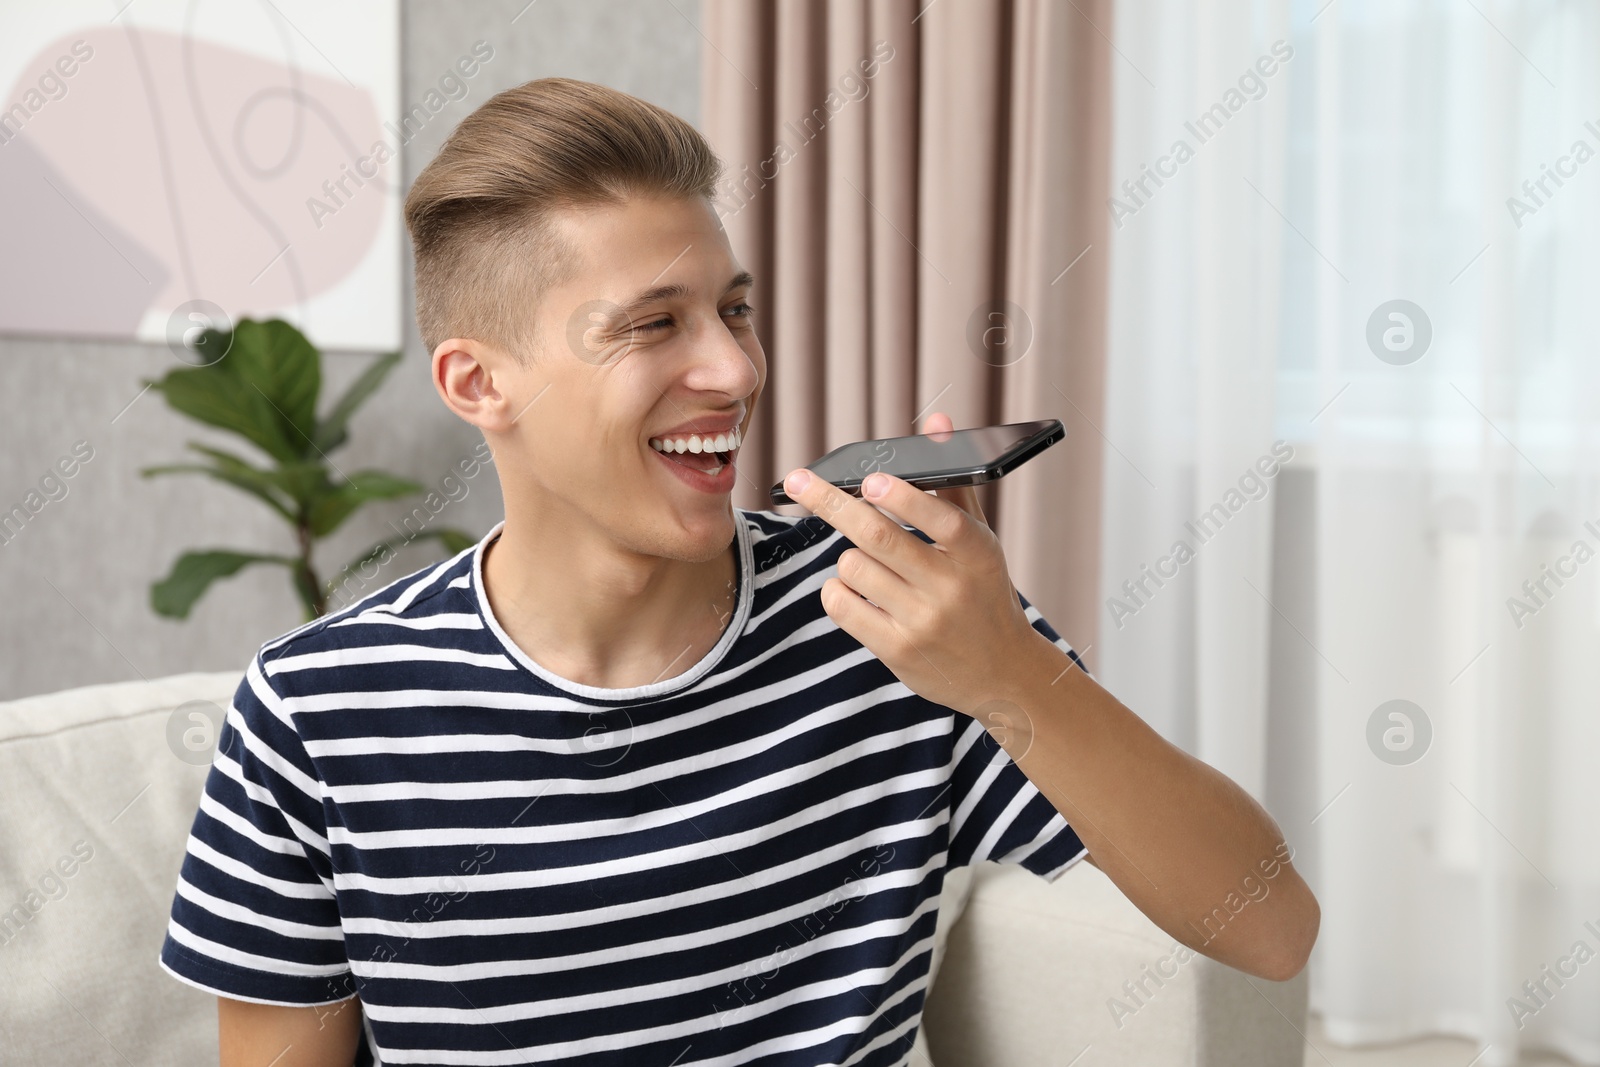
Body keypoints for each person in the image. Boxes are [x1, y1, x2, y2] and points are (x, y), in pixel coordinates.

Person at [158, 76, 1318, 1067]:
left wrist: (1011, 672)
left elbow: (1268, 926)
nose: (731, 368)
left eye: (735, 309)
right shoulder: (315, 712)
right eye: (651, 325)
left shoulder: (888, 616)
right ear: (477, 384)